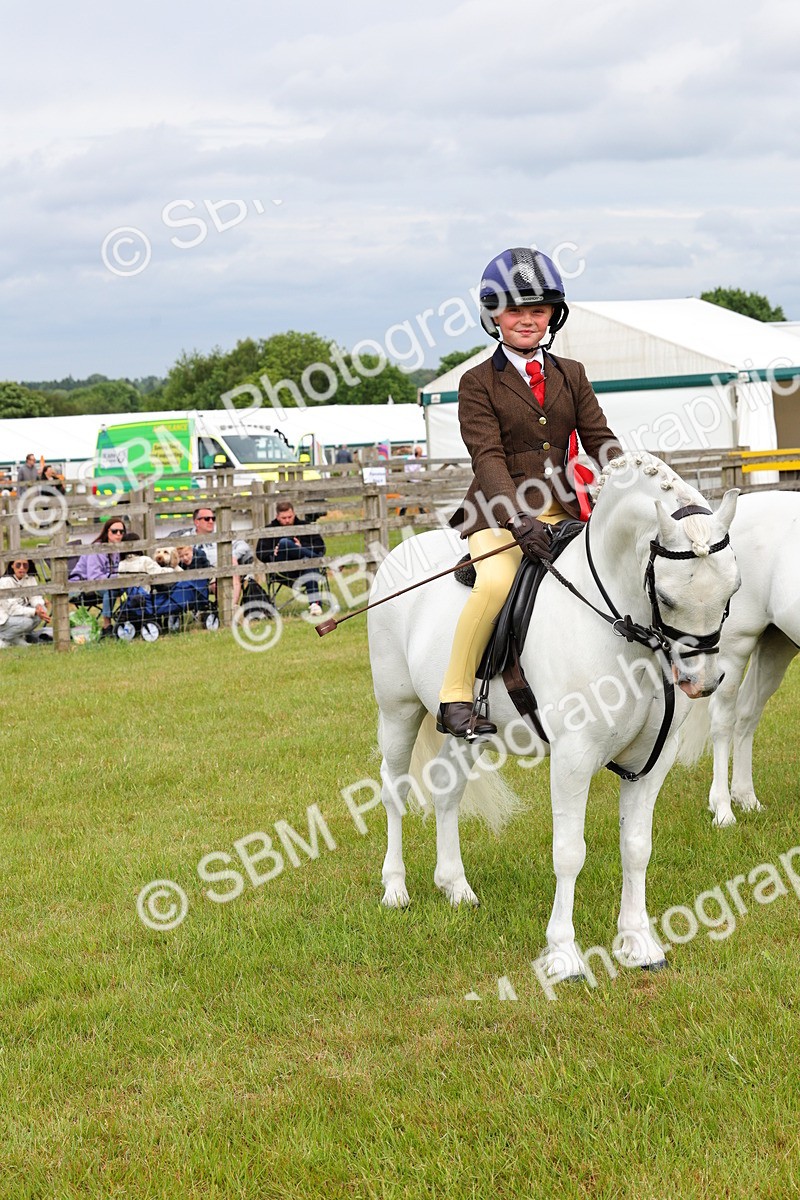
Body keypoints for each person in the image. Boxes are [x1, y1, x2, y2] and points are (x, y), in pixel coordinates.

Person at [437, 247, 621, 739]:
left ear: (552, 315)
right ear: (493, 315)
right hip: (498, 515)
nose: (526, 320)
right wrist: (518, 521)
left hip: (567, 511)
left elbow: (600, 440)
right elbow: (487, 458)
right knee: (496, 583)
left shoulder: (572, 373)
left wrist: (627, 479)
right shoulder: (476, 383)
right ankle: (455, 697)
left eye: (537, 309)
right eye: (515, 310)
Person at [256, 501, 326, 616]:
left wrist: (301, 546)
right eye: (284, 518)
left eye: (290, 517)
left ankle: (315, 605)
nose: (287, 520)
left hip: (304, 568)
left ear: (294, 514)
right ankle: (316, 559)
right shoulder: (269, 529)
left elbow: (321, 547)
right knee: (284, 543)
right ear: (277, 517)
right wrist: (272, 553)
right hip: (282, 568)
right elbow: (260, 553)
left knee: (307, 561)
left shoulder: (305, 526)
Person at [173, 507, 251, 606]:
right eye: (207, 519)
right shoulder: (187, 538)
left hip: (221, 571)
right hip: (197, 577)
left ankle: (231, 609)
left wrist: (233, 556)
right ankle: (226, 611)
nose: (211, 521)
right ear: (197, 522)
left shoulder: (221, 535)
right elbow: (174, 553)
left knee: (230, 566)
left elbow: (244, 546)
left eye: (213, 519)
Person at [68, 518, 127, 635]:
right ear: (107, 532)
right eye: (115, 531)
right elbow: (94, 578)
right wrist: (116, 579)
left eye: (122, 531)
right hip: (80, 585)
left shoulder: (119, 549)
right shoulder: (96, 549)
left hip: (107, 583)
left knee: (129, 587)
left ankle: (126, 619)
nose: (119, 534)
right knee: (110, 589)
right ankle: (107, 626)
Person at [0, 557, 49, 648]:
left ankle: (15, 637)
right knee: (27, 622)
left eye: (25, 565)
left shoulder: (30, 579)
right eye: (18, 565)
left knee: (42, 611)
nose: (21, 568)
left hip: (18, 615)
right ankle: (6, 637)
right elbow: (12, 609)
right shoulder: (4, 582)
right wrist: (34, 611)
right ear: (12, 565)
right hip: (4, 618)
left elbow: (35, 597)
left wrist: (38, 606)